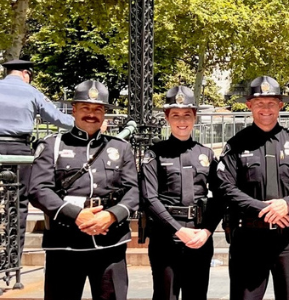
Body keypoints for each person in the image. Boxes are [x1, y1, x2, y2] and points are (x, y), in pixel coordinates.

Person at [28, 80, 138, 300]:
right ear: (74, 110)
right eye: (85, 108)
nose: (91, 114)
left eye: (98, 109)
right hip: (65, 242)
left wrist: (110, 215)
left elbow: (134, 191)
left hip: (110, 241)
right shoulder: (53, 145)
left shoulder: (120, 147)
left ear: (104, 113)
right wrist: (76, 215)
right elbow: (39, 189)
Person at [216, 76, 289, 300]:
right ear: (249, 105)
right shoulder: (236, 145)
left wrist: (286, 204)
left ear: (280, 105)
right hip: (249, 237)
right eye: (259, 103)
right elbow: (226, 187)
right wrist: (264, 209)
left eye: (271, 103)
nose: (266, 109)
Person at [140, 86, 223, 300]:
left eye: (187, 115)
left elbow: (221, 197)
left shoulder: (206, 154)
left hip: (199, 236)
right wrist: (178, 230)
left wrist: (207, 231)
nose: (182, 120)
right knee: (165, 295)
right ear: (167, 117)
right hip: (166, 236)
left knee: (197, 295)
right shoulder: (154, 154)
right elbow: (149, 198)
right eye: (175, 115)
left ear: (194, 117)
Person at [0, 59, 74, 255]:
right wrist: (86, 124)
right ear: (26, 73)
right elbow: (58, 119)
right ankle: (12, 256)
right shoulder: (32, 92)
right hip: (19, 151)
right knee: (18, 202)